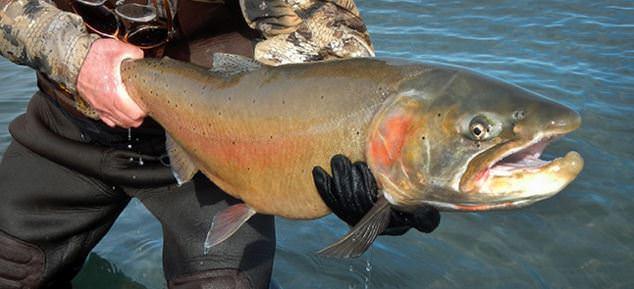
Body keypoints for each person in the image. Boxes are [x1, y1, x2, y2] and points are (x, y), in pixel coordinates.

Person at [0, 0, 440, 288]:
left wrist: (378, 157)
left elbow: (328, 33)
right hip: (65, 132)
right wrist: (76, 57)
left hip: (222, 150)